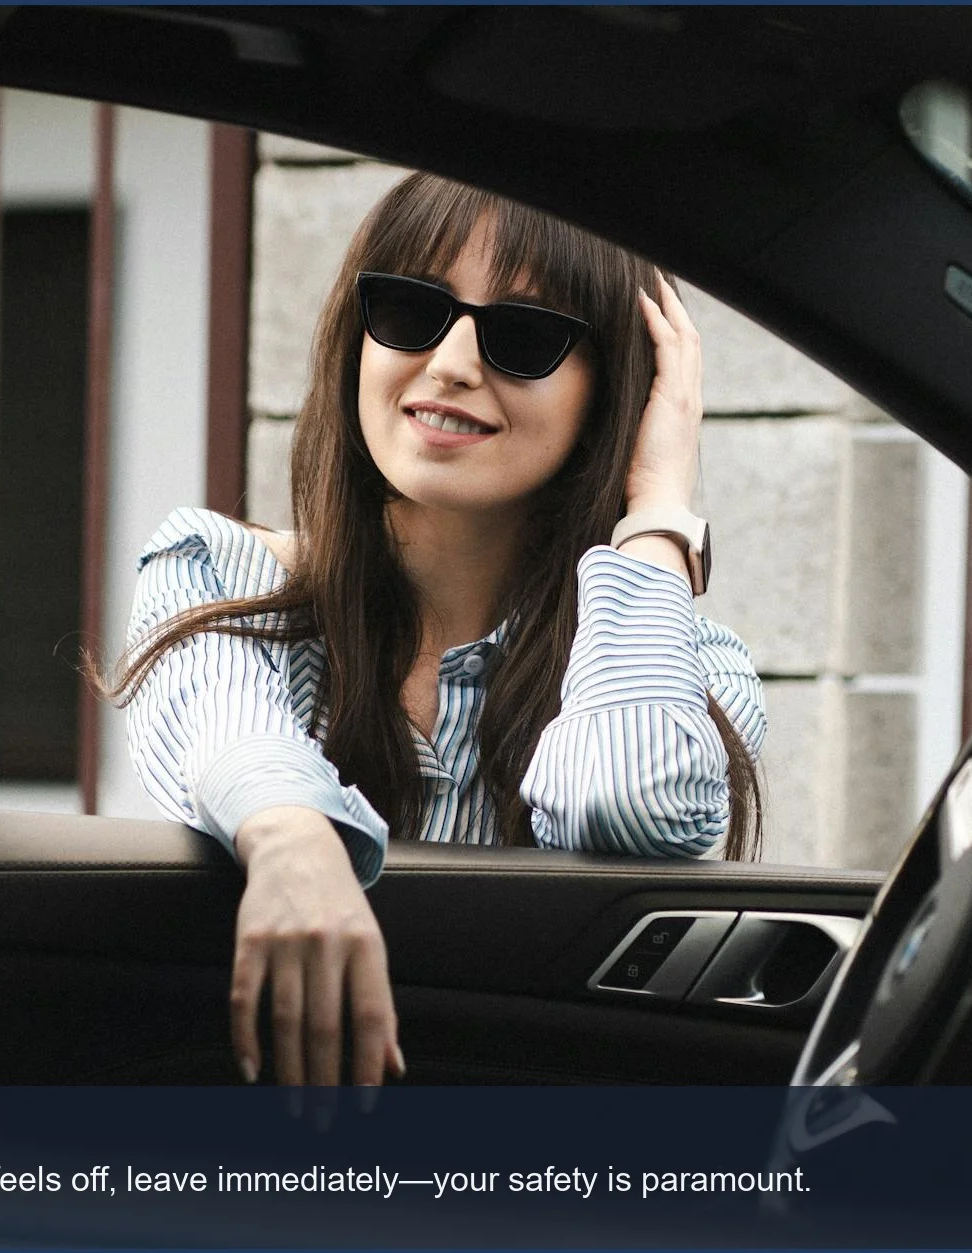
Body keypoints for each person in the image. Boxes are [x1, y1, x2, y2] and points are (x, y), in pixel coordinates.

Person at [106, 172, 766, 1087]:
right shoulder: (222, 576)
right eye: (411, 310)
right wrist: (296, 844)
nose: (451, 362)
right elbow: (232, 742)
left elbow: (633, 802)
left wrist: (657, 508)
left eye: (524, 333)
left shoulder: (691, 670)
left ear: (614, 390)